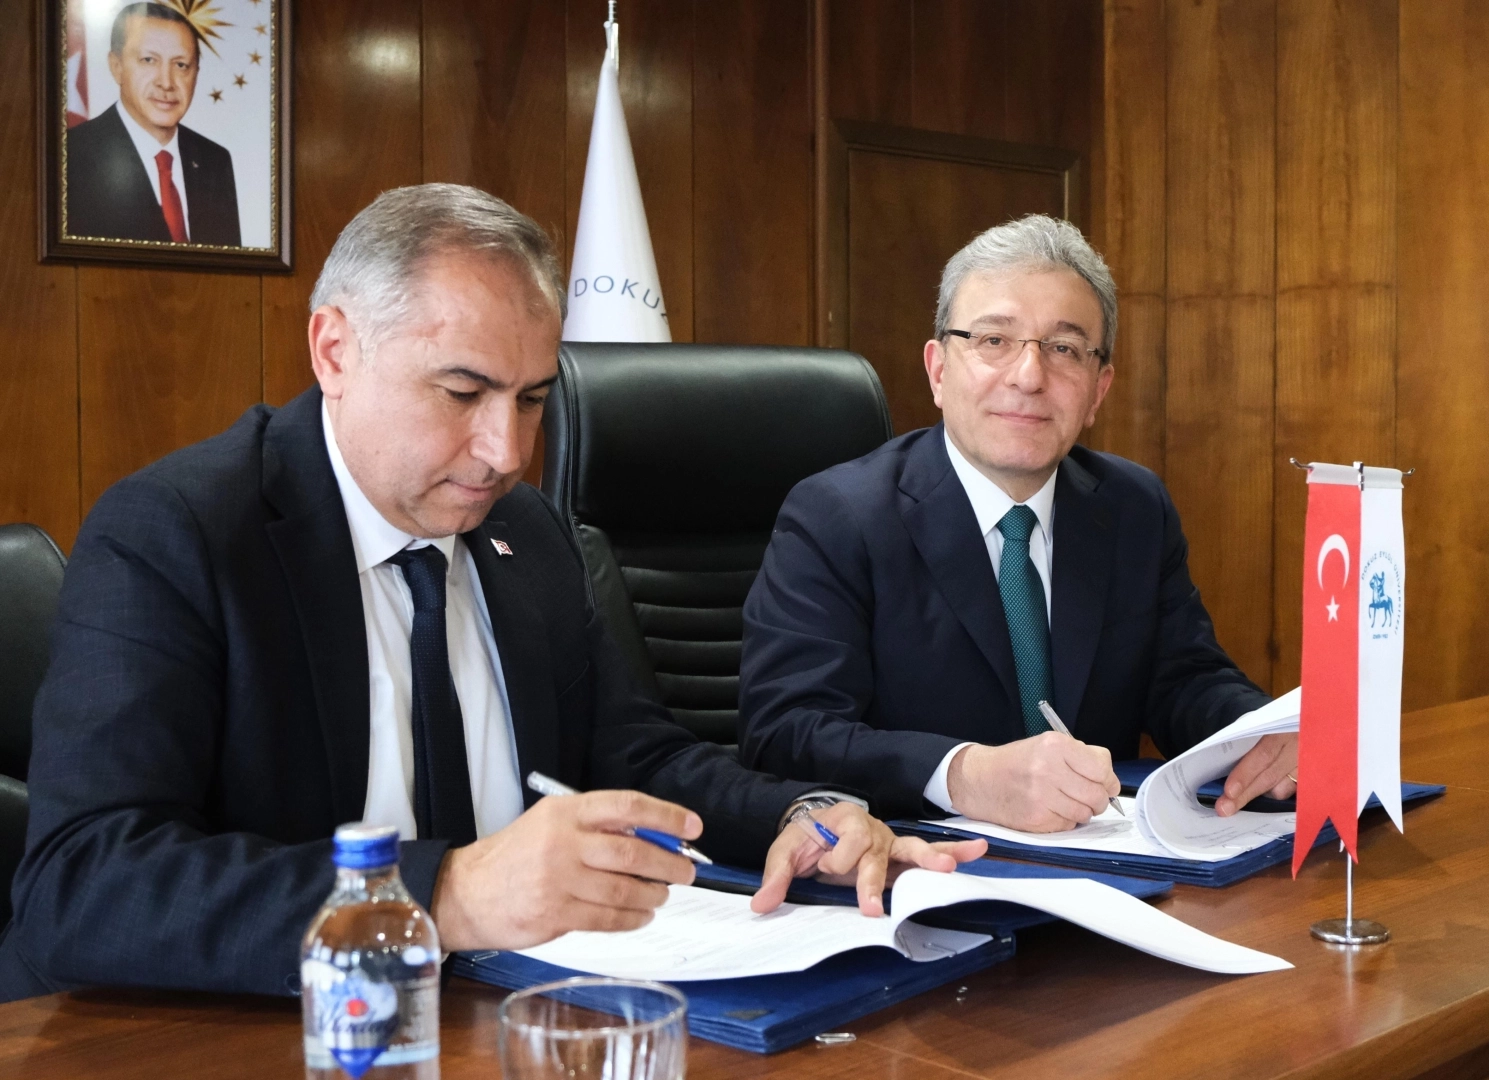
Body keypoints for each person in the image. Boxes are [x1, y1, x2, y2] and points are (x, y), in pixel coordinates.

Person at [0, 184, 981, 1002]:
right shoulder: (179, 532)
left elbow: (636, 758)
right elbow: (83, 884)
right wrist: (447, 894)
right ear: (334, 350)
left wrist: (801, 814)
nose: (505, 452)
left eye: (533, 399)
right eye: (463, 393)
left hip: (499, 1017)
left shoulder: (524, 531)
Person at [739, 214, 1294, 829]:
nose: (1029, 377)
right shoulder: (838, 516)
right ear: (939, 371)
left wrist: (1264, 734)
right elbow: (785, 731)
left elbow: (1184, 679)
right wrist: (962, 774)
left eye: (1064, 349)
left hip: (1105, 859)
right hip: (919, 862)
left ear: (1098, 390)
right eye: (993, 341)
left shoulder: (1132, 507)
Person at [65, 2, 240, 246]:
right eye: (149, 60)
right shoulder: (71, 155)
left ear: (196, 73)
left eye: (181, 65)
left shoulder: (215, 161)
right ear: (116, 67)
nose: (166, 83)